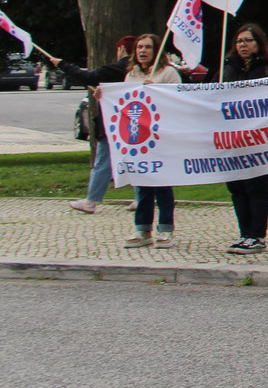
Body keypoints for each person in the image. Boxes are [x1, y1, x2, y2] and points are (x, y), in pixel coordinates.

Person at [56, 33, 190, 247]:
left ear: (157, 51)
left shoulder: (168, 73)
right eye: (139, 47)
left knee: (162, 186)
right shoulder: (131, 74)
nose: (143, 51)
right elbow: (127, 104)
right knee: (142, 185)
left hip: (161, 137)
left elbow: (178, 101)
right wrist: (106, 97)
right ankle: (143, 230)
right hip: (140, 138)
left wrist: (156, 91)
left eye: (147, 47)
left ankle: (166, 230)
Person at [216, 23, 268, 254]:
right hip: (233, 139)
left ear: (259, 43)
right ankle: (245, 233)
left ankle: (257, 235)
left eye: (248, 40)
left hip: (259, 139)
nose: (243, 45)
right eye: (239, 41)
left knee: (257, 186)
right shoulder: (226, 69)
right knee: (236, 187)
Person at [61, 34, 135, 215]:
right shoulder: (137, 72)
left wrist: (62, 64)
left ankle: (91, 200)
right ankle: (142, 197)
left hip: (112, 124)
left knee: (103, 161)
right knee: (135, 159)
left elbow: (86, 76)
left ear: (121, 49)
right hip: (134, 124)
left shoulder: (115, 69)